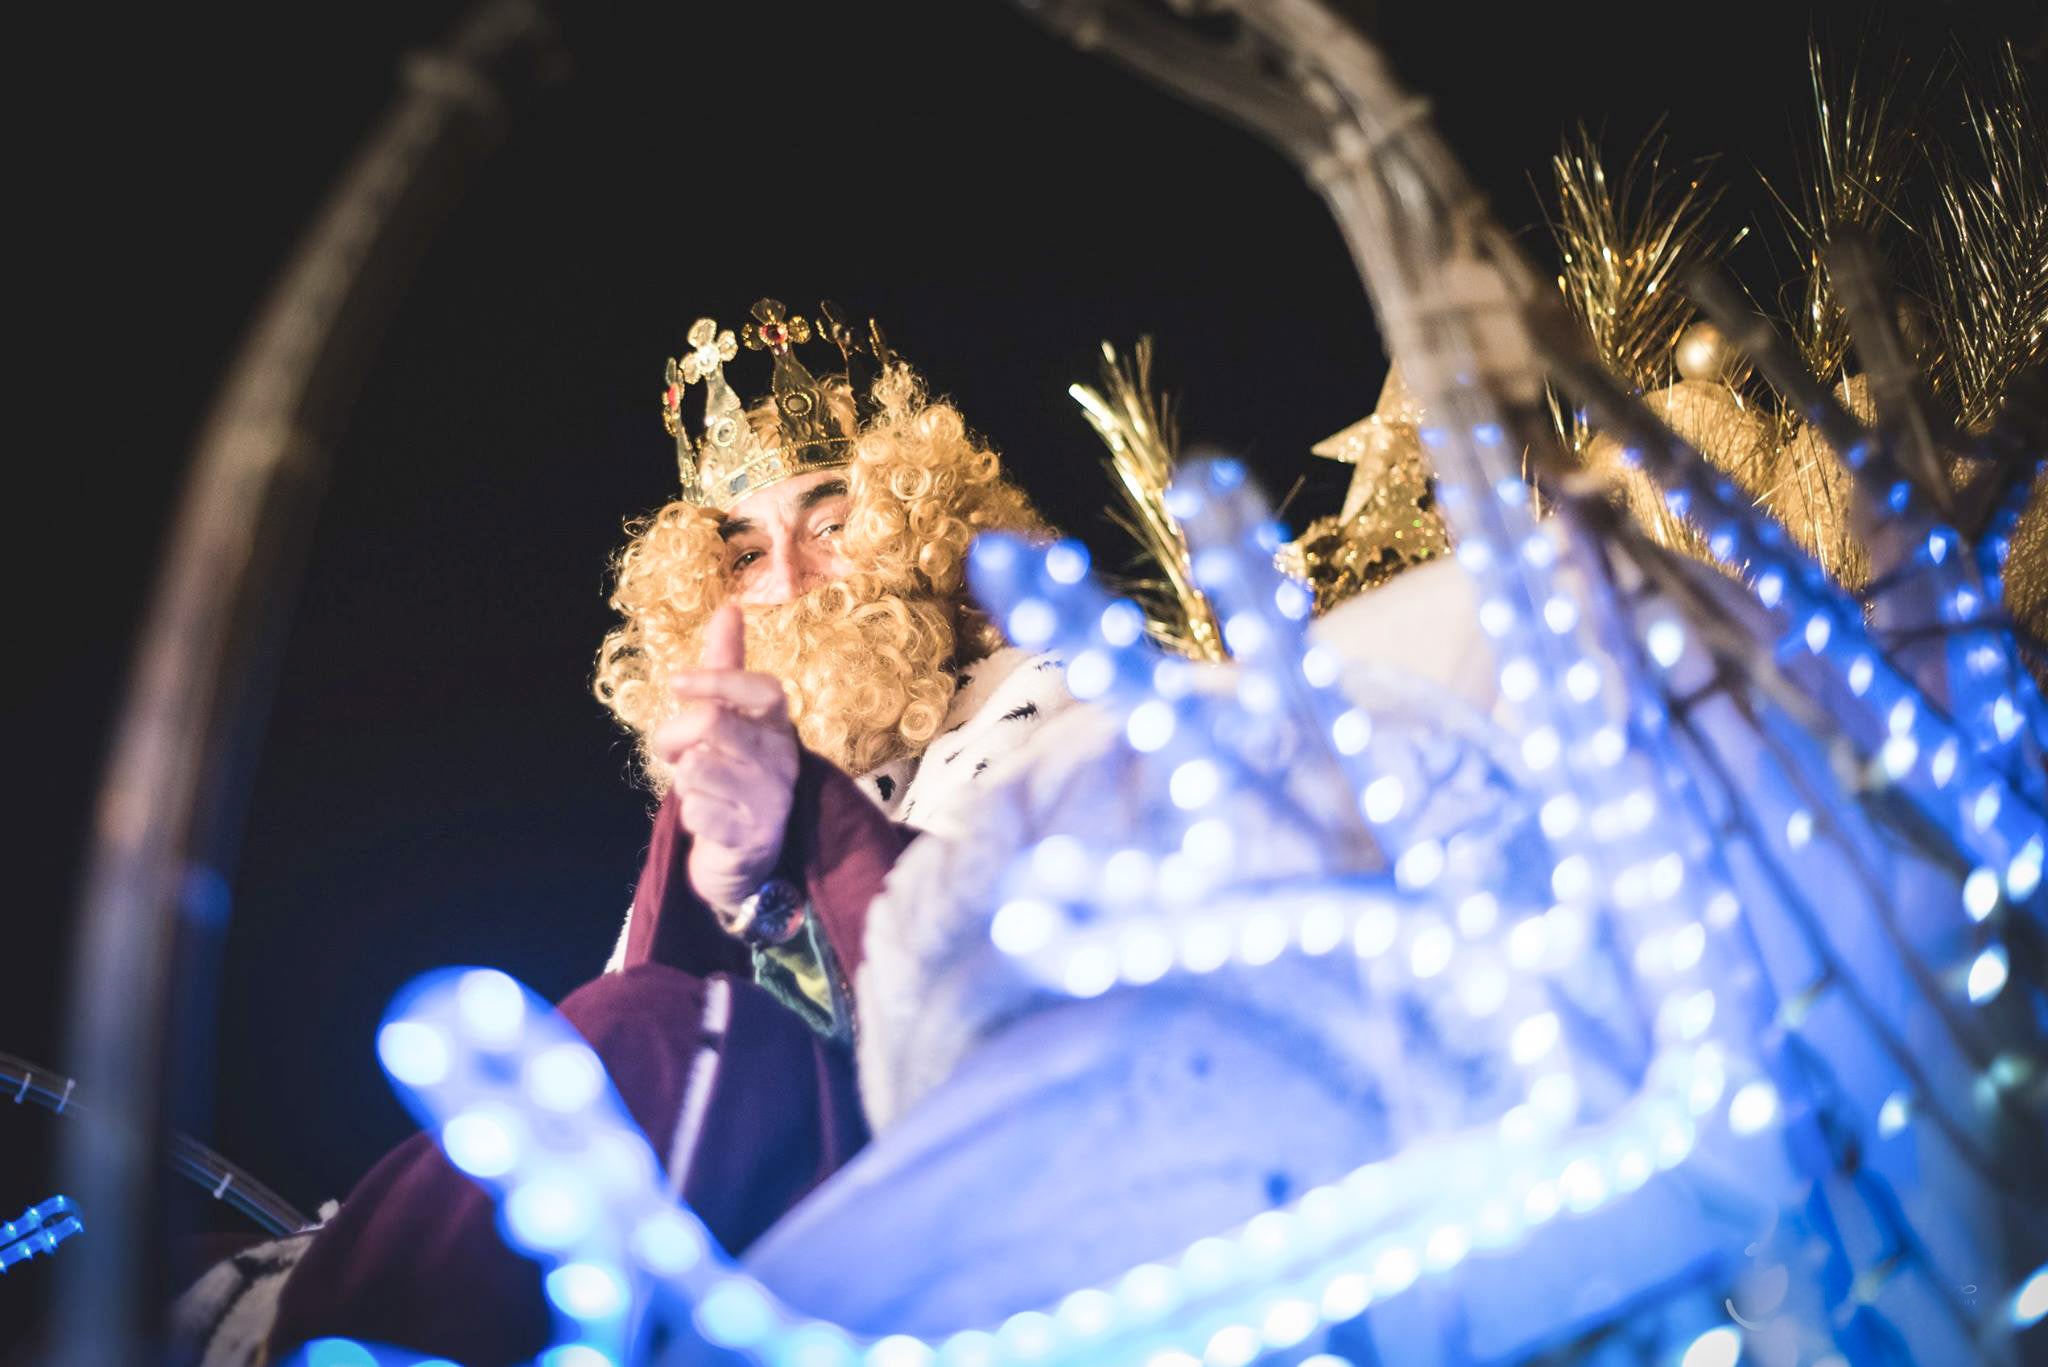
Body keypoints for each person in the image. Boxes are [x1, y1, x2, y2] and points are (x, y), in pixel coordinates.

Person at [174, 299, 1069, 1366]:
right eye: (742, 553)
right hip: (727, 1234)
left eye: (831, 522)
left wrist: (770, 877)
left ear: (922, 532)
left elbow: (999, 999)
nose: (785, 579)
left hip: (939, 1211)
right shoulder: (725, 783)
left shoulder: (1047, 705)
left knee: (649, 1027)